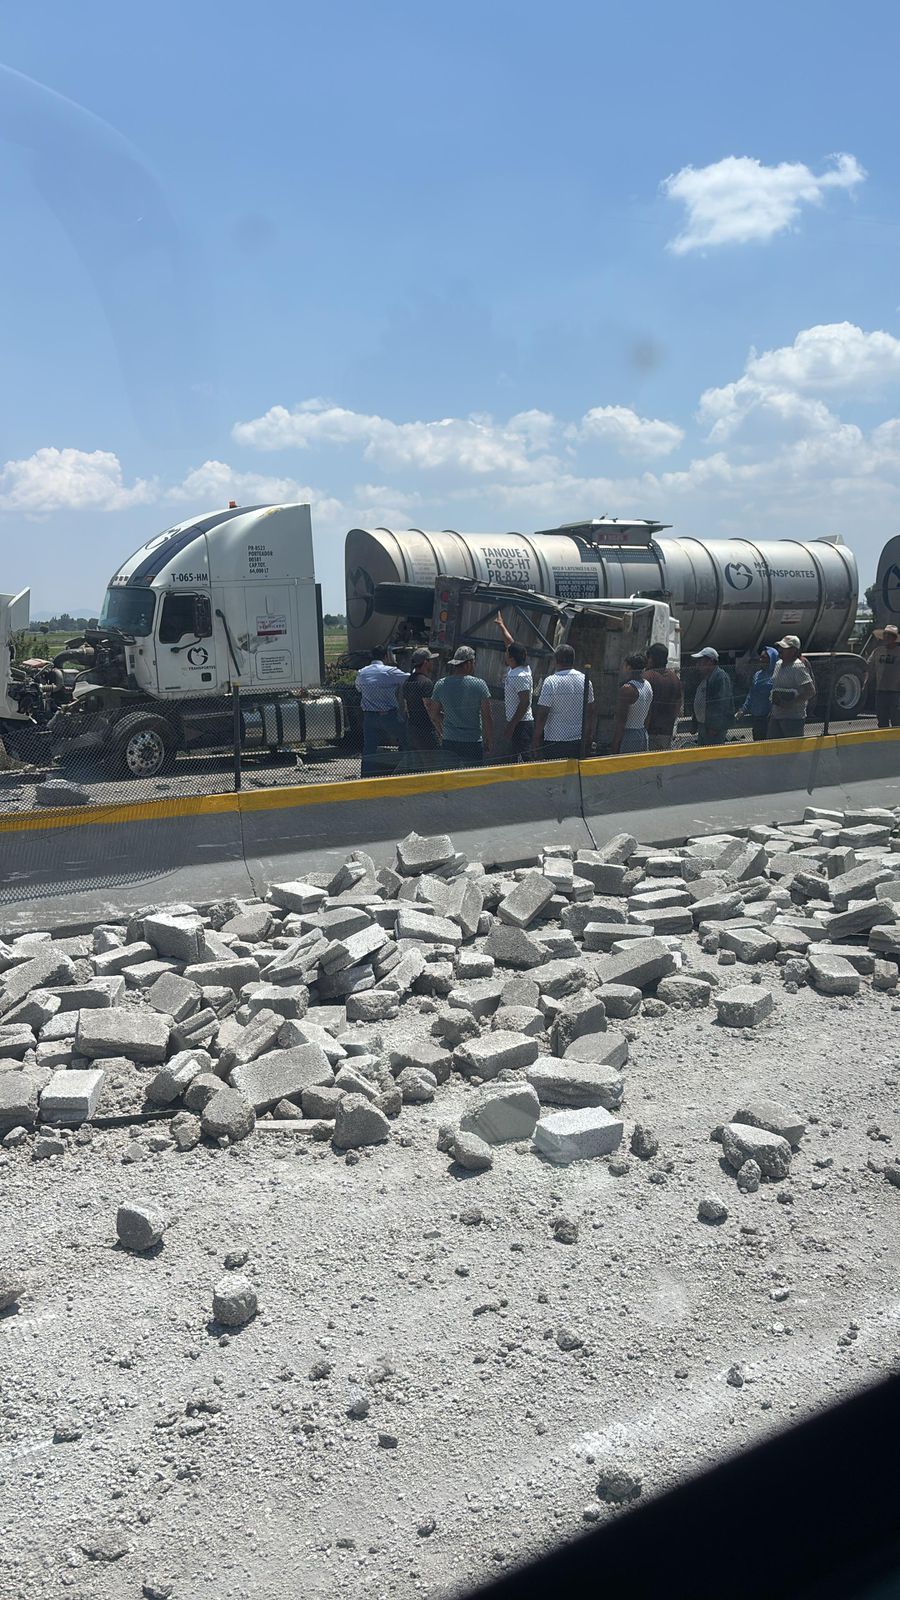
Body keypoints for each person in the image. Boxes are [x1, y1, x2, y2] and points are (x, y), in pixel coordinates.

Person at [427, 645, 493, 766]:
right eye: (473, 662)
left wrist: (446, 724)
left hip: (449, 739)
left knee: (450, 774)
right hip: (472, 740)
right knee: (472, 775)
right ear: (468, 664)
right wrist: (488, 739)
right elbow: (487, 716)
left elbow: (433, 714)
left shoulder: (441, 684)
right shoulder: (480, 684)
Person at [532, 644, 594, 759]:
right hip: (578, 740)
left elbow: (543, 713)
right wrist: (589, 736)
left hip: (555, 740)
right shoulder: (585, 681)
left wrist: (536, 737)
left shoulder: (551, 681)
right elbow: (589, 712)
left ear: (556, 660)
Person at [355, 645, 409, 777]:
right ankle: (407, 769)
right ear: (386, 656)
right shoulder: (390, 671)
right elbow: (409, 679)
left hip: (369, 716)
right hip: (389, 716)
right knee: (406, 739)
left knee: (369, 748)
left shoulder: (362, 672)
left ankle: (366, 777)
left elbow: (358, 688)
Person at [494, 613, 534, 760]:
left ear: (511, 658)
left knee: (524, 758)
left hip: (521, 724)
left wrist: (511, 726)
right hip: (519, 722)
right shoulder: (521, 668)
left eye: (507, 653)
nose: (505, 653)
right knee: (516, 758)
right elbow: (510, 643)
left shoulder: (519, 676)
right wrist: (501, 626)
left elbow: (524, 702)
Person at [768, 635, 816, 739]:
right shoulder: (778, 664)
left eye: (784, 648)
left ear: (794, 651)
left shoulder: (798, 667)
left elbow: (810, 691)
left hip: (793, 718)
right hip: (775, 716)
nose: (780, 650)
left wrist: (791, 703)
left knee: (792, 747)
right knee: (772, 746)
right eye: (780, 647)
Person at [400, 647, 440, 767]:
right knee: (431, 765)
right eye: (430, 660)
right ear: (425, 662)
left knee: (415, 765)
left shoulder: (408, 682)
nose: (432, 663)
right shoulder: (426, 683)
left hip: (412, 729)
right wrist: (439, 729)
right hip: (425, 730)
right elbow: (430, 708)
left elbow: (406, 708)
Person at [690, 647, 734, 746]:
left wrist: (714, 727)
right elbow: (700, 700)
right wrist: (695, 723)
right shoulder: (705, 677)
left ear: (710, 661)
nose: (697, 665)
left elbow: (721, 703)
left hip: (712, 729)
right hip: (703, 725)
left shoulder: (720, 677)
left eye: (701, 661)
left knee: (713, 753)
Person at [644, 642, 683, 751]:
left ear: (651, 658)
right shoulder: (674, 678)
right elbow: (678, 704)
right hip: (667, 731)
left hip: (650, 731)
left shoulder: (647, 677)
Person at [611, 654, 653, 754]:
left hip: (629, 734)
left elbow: (622, 720)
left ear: (629, 668)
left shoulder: (627, 689)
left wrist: (615, 744)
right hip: (642, 732)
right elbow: (649, 714)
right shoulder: (647, 685)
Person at [736, 646, 778, 740]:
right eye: (761, 657)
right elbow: (751, 694)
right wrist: (743, 710)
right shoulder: (757, 675)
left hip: (770, 719)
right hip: (756, 718)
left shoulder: (777, 676)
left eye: (764, 658)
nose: (761, 660)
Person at [866, 623, 900, 728]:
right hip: (880, 690)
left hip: (896, 691)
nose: (886, 637)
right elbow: (869, 667)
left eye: (889, 635)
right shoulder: (878, 651)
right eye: (885, 635)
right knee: (882, 719)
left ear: (894, 638)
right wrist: (866, 683)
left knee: (896, 719)